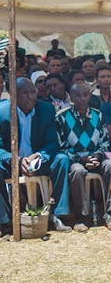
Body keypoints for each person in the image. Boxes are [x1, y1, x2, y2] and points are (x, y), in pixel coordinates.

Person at [0, 78, 72, 233]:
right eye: (25, 93)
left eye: (33, 92)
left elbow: (53, 143)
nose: (31, 97)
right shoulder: (2, 112)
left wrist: (39, 156)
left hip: (37, 162)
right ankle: (5, 222)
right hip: (11, 162)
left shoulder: (46, 110)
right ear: (14, 95)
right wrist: (15, 160)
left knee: (62, 160)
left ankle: (58, 215)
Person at [57, 84, 111, 232]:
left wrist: (97, 155)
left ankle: (109, 213)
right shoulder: (62, 117)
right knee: (77, 172)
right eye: (78, 96)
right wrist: (81, 159)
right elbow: (61, 147)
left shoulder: (98, 115)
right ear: (71, 97)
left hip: (96, 156)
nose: (82, 99)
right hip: (76, 159)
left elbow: (105, 142)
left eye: (85, 95)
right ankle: (82, 216)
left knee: (110, 165)